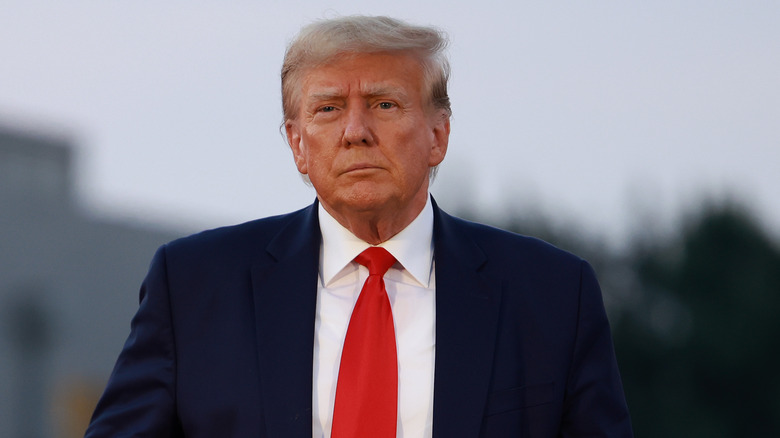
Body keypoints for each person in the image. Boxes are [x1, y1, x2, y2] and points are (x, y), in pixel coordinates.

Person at [85, 15, 633, 438]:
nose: (355, 131)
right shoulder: (193, 286)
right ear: (297, 144)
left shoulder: (553, 294)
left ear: (438, 134)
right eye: (327, 109)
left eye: (385, 103)